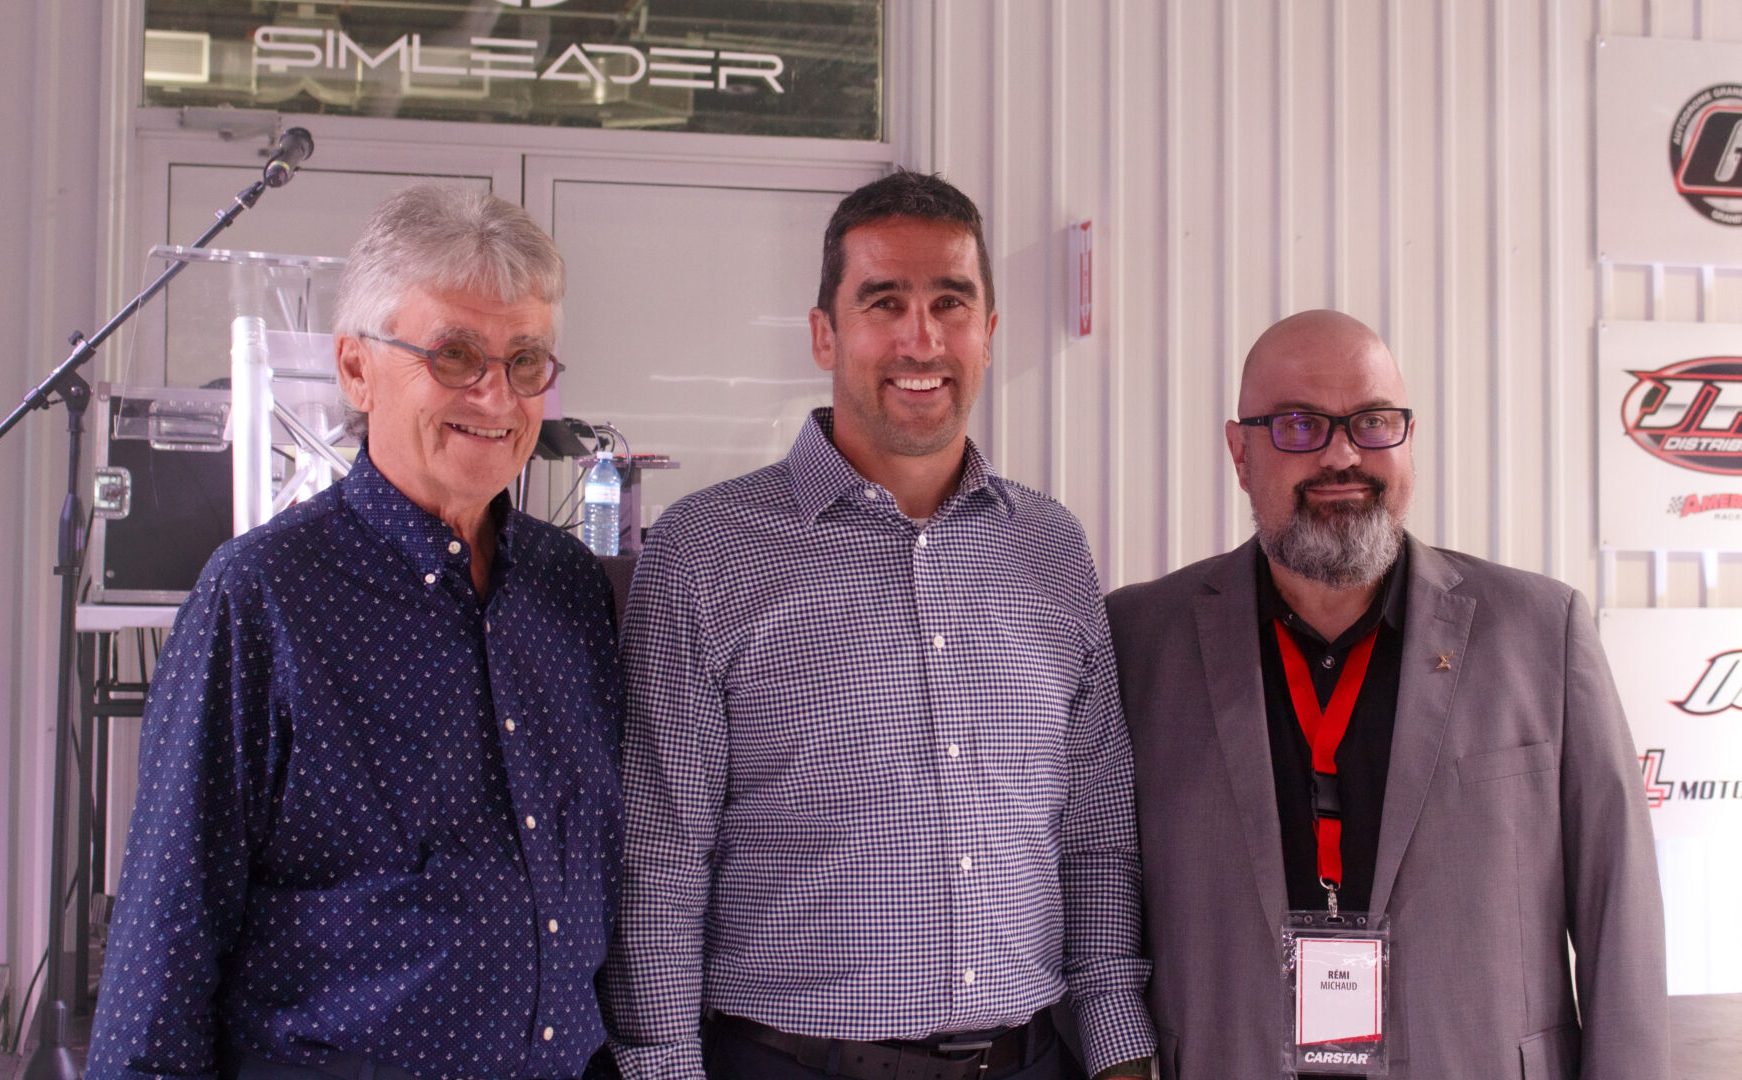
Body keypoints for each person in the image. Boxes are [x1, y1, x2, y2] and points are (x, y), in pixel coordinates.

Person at [602, 170, 1154, 1080]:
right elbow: (659, 855)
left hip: (1031, 1058)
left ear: (987, 333)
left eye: (950, 301)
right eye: (883, 300)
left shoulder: (1051, 546)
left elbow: (1093, 836)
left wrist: (1117, 1051)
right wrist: (661, 1065)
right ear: (825, 331)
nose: (919, 336)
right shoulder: (707, 551)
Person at [86, 184, 624, 1080]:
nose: (496, 392)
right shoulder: (262, 596)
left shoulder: (568, 591)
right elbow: (166, 934)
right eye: (454, 354)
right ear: (354, 368)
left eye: (527, 359)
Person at [1106, 309, 1668, 1079]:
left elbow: (1619, 912)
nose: (1342, 455)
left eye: (1372, 422)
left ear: (1406, 438)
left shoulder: (1542, 630)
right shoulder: (1138, 639)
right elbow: (1097, 890)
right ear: (1239, 452)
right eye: (1299, 425)